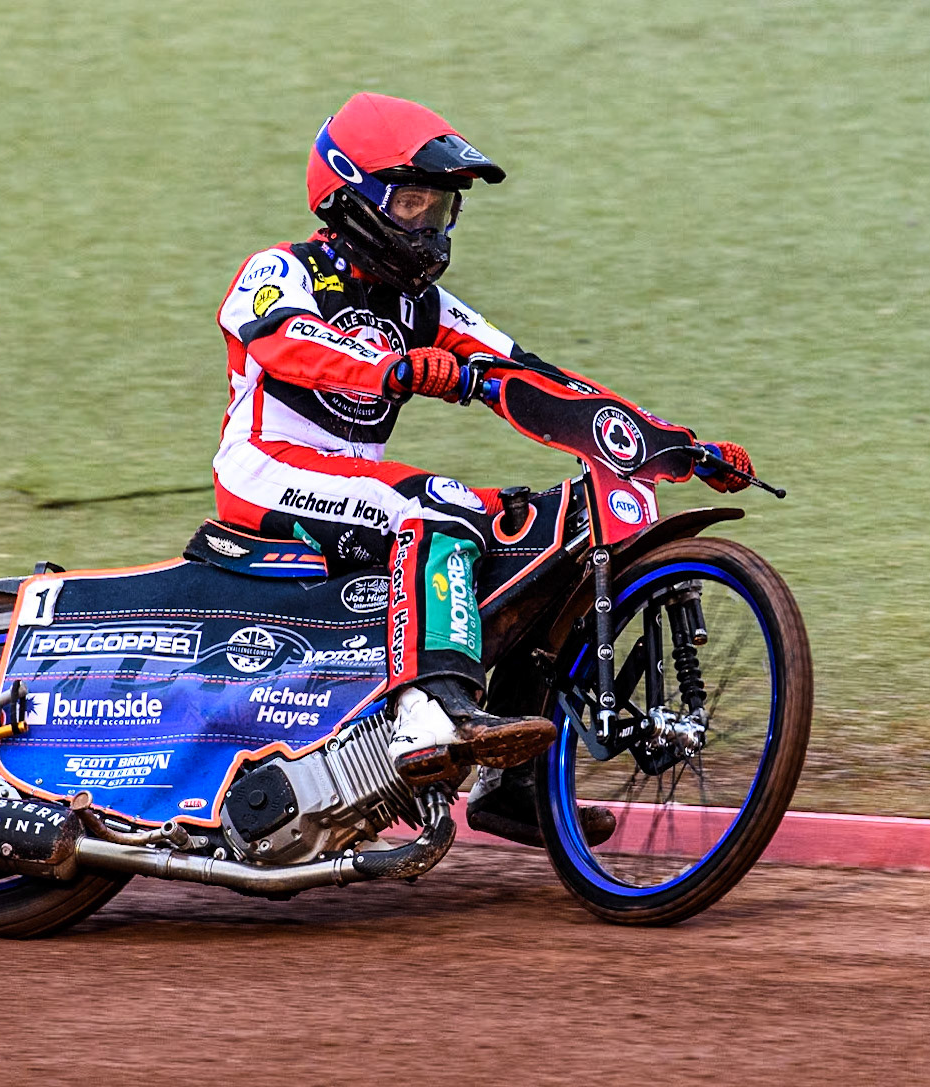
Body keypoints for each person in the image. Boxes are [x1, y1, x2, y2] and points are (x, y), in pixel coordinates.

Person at [211, 93, 753, 815]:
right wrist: (394, 368)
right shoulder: (282, 269)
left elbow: (536, 379)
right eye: (411, 204)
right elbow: (285, 339)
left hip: (355, 484)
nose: (429, 229)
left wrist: (669, 447)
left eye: (439, 211)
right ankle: (428, 715)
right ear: (351, 199)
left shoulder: (426, 308)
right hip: (265, 473)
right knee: (439, 503)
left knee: (547, 533)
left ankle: (514, 786)